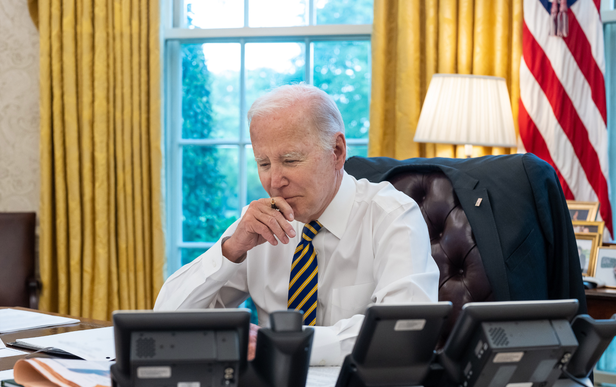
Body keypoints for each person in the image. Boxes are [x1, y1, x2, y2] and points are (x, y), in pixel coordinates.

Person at [154, 84, 439, 365]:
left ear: (337, 152)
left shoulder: (392, 215)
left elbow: (405, 332)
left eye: (290, 160)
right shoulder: (259, 223)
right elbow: (165, 322)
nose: (274, 181)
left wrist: (284, 344)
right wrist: (230, 250)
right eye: (263, 163)